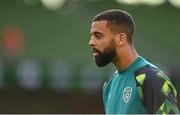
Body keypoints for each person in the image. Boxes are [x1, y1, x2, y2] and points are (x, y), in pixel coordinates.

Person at [88, 9, 179, 114]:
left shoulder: (151, 78)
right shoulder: (109, 84)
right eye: (92, 36)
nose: (91, 42)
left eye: (98, 35)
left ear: (121, 38)